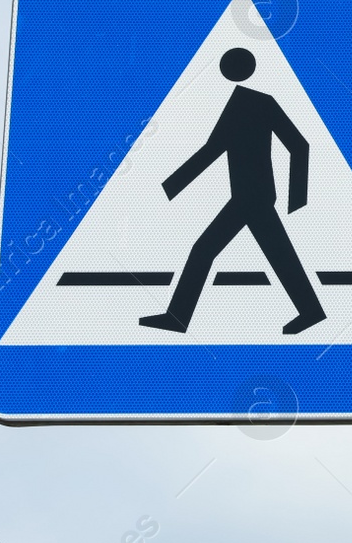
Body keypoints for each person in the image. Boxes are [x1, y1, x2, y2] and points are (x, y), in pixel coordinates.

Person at [139, 47, 328, 335]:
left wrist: (297, 200)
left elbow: (296, 145)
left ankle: (177, 317)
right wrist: (170, 187)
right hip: (251, 196)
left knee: (205, 250)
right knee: (278, 254)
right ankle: (311, 311)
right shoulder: (251, 102)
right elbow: (216, 149)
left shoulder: (247, 103)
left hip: (252, 197)